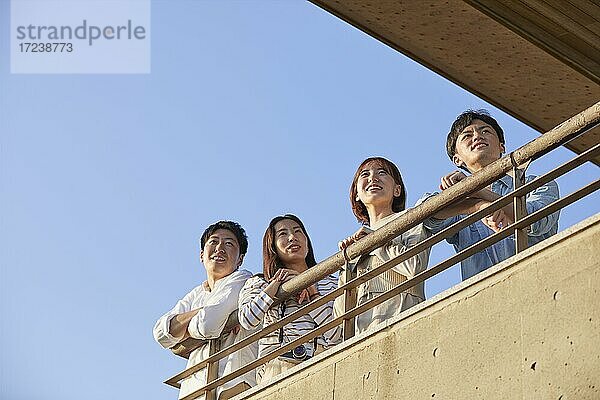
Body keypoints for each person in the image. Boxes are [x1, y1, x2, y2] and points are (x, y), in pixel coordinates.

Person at [424, 109, 560, 281]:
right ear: (457, 159)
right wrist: (476, 206)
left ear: (502, 146)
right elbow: (427, 220)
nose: (477, 136)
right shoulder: (460, 201)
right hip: (485, 298)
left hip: (540, 283)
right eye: (466, 135)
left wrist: (475, 190)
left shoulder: (537, 184)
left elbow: (537, 219)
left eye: (485, 131)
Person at [153, 221, 257, 400]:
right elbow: (161, 333)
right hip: (195, 390)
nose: (220, 248)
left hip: (232, 385)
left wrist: (184, 329)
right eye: (214, 242)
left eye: (229, 243)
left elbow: (207, 325)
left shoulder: (242, 279)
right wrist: (201, 311)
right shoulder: (196, 293)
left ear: (240, 259)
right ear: (202, 255)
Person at [238, 214, 341, 384]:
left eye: (298, 231)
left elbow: (336, 334)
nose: (292, 237)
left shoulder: (330, 281)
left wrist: (311, 293)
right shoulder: (259, 282)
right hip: (276, 370)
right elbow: (247, 319)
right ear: (272, 246)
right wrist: (276, 285)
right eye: (283, 234)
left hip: (324, 365)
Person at [335, 157, 430, 334]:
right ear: (356, 193)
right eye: (365, 174)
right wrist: (346, 265)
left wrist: (375, 243)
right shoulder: (356, 242)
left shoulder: (409, 218)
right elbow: (340, 315)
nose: (373, 178)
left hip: (404, 319)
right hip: (364, 330)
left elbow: (415, 267)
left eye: (382, 173)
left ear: (397, 190)